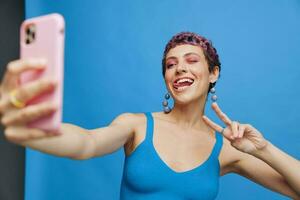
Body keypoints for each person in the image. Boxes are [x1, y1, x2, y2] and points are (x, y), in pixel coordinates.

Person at [0, 32, 299, 200]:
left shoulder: (227, 150)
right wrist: (37, 128)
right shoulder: (136, 125)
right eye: (171, 65)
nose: (179, 68)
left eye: (191, 61)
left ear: (213, 74)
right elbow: (86, 143)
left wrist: (264, 150)